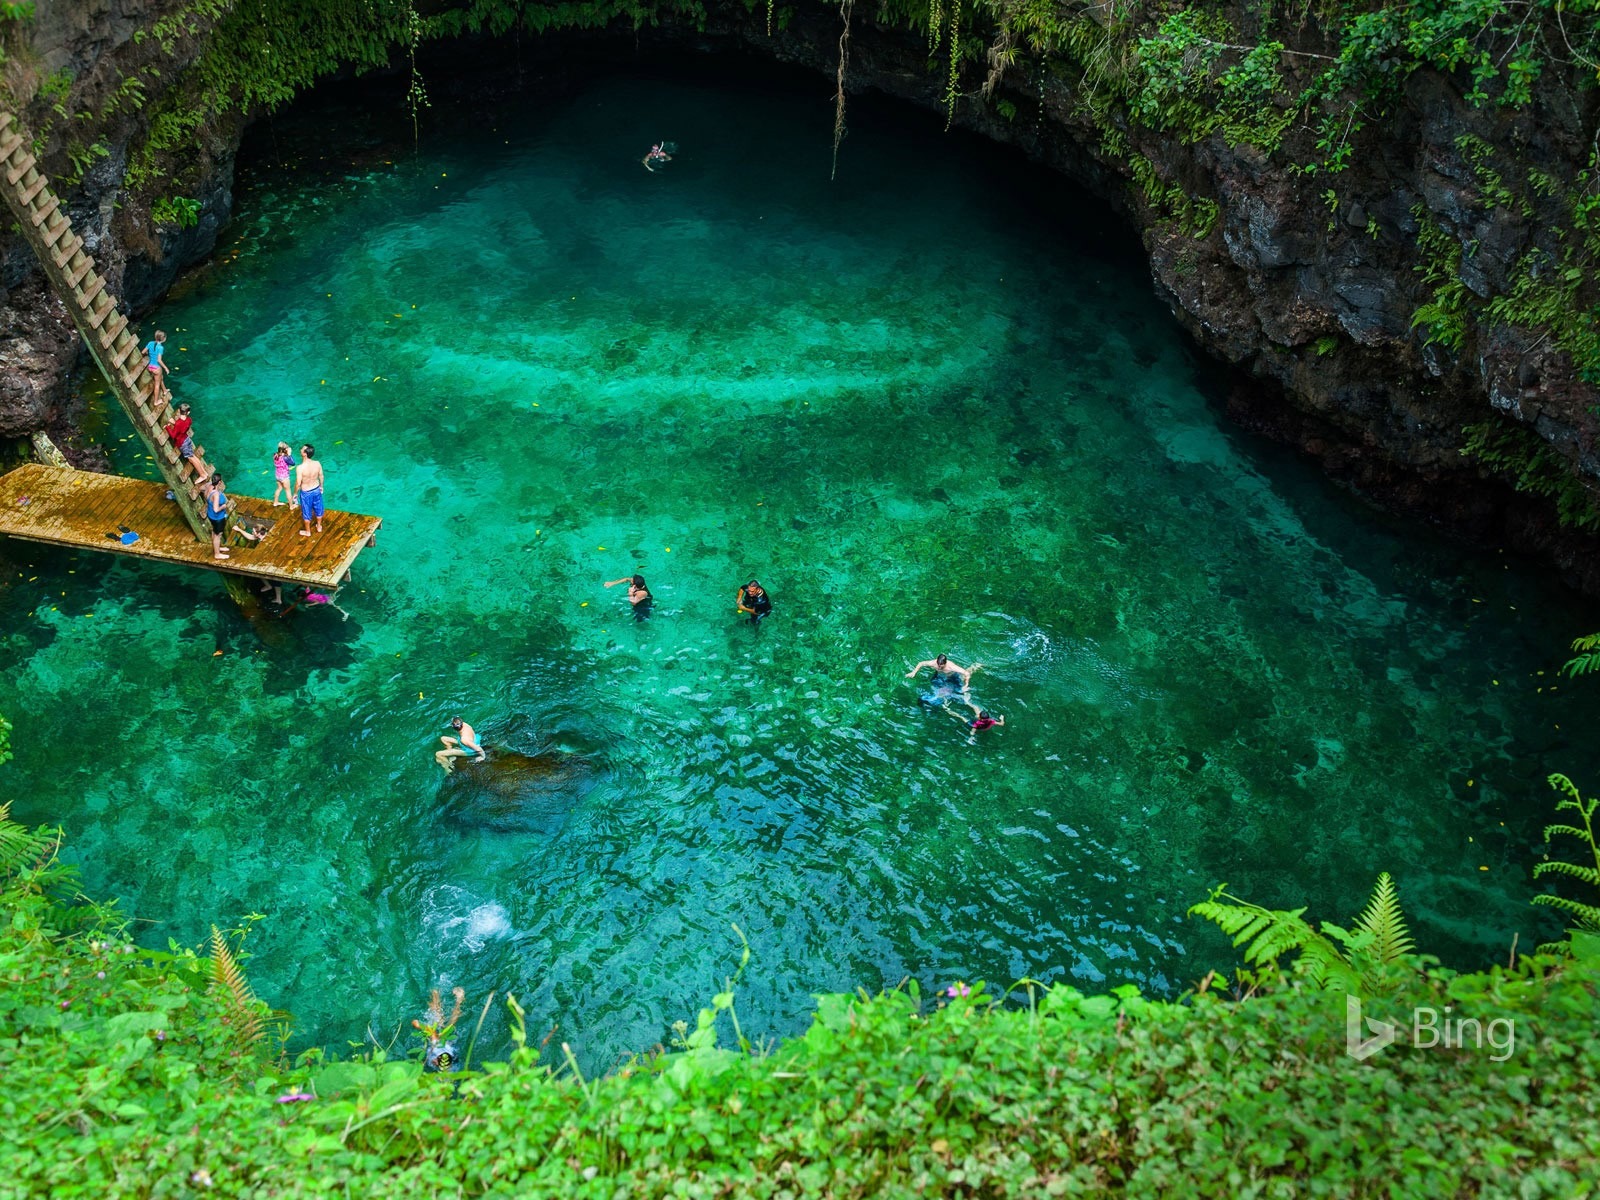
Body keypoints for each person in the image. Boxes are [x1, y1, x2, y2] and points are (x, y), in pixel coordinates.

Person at [906, 654, 980, 692]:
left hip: (951, 676)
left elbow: (966, 673)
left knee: (959, 690)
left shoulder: (951, 667)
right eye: (938, 665)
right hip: (939, 675)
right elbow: (921, 663)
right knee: (933, 684)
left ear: (945, 663)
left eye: (941, 666)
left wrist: (966, 685)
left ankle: (974, 666)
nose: (939, 667)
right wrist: (914, 672)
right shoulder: (933, 663)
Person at [294, 444, 325, 536]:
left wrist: (295, 493)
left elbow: (298, 483)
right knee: (319, 508)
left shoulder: (300, 468)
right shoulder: (317, 463)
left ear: (305, 454)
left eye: (302, 449)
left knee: (306, 511)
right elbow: (321, 476)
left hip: (306, 492)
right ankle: (319, 527)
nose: (300, 450)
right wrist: (321, 486)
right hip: (316, 489)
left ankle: (308, 532)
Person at [203, 472, 230, 560]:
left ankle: (217, 548)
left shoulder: (208, 486)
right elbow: (216, 509)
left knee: (214, 531)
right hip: (217, 517)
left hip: (210, 515)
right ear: (220, 482)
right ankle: (217, 554)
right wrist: (223, 506)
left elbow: (200, 488)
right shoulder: (216, 495)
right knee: (218, 534)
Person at [144, 330, 170, 404]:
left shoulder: (150, 343)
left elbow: (143, 352)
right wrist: (166, 368)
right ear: (163, 339)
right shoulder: (160, 348)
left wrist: (147, 353)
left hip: (150, 367)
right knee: (157, 385)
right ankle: (156, 402)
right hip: (156, 368)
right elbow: (159, 360)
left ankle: (165, 390)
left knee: (160, 378)